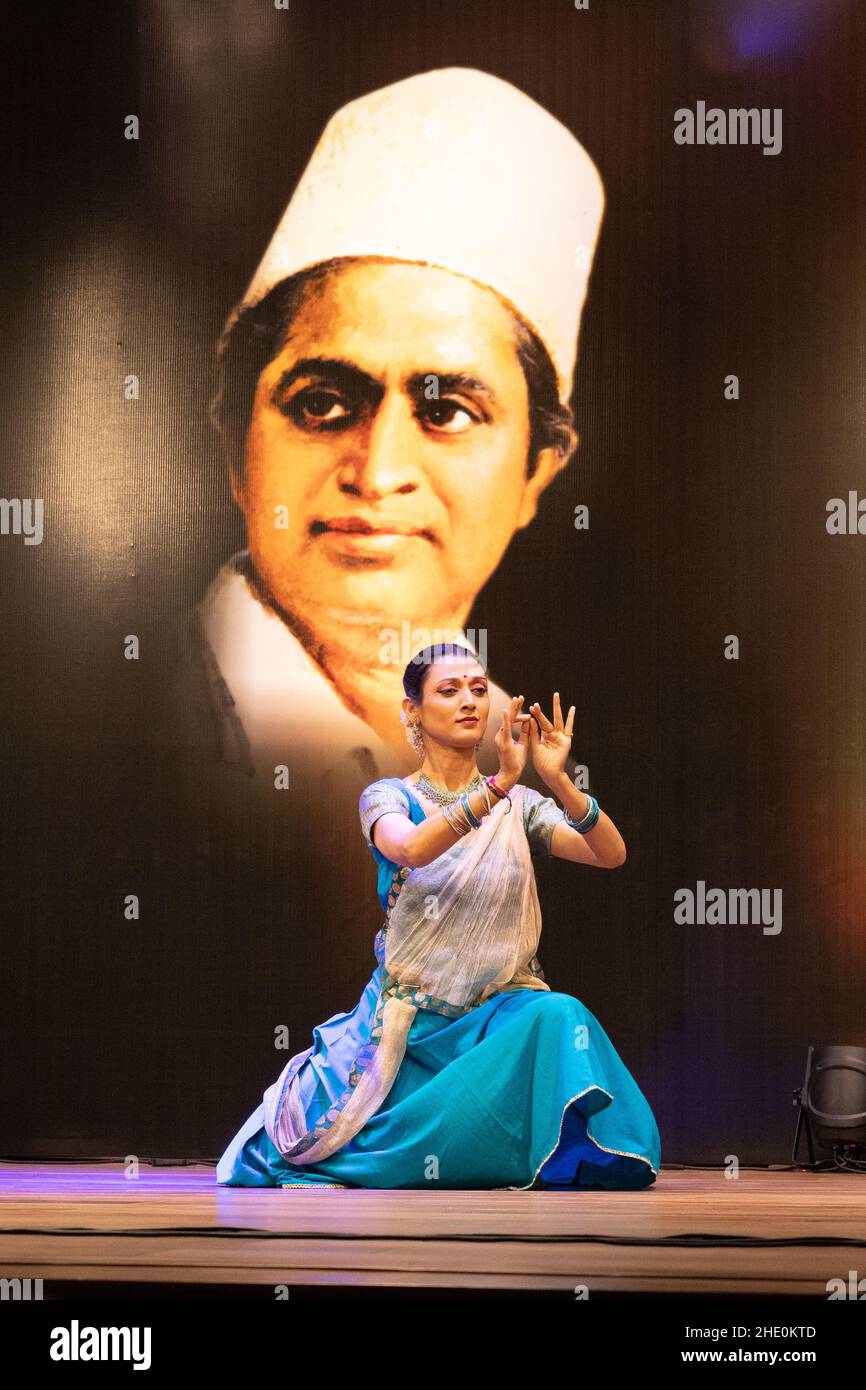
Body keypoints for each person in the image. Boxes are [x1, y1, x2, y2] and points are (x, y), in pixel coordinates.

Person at [183, 66, 606, 787]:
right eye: (322, 405)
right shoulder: (137, 723)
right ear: (236, 448)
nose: (376, 473)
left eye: (444, 412)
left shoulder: (524, 766)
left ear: (537, 473)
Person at [216, 644, 661, 1190]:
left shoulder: (521, 807)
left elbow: (609, 854)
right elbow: (410, 850)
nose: (469, 700)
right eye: (449, 691)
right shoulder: (388, 797)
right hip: (411, 1028)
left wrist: (559, 780)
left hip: (497, 1019)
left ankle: (522, 1150)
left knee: (559, 1014)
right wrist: (494, 788)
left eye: (477, 688)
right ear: (412, 712)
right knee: (344, 1148)